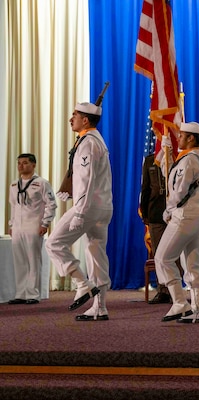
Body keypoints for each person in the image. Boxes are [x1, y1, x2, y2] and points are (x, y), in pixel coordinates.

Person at [46, 102, 113, 321]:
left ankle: (82, 284)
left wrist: (80, 212)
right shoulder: (95, 140)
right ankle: (100, 306)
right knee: (96, 255)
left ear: (85, 120)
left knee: (53, 243)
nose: (70, 118)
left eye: (74, 114)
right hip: (103, 206)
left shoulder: (88, 143)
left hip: (89, 208)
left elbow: (86, 180)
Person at [154, 122, 199, 323]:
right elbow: (175, 181)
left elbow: (179, 191)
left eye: (182, 135)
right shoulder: (195, 158)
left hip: (185, 215)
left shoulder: (188, 161)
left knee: (163, 258)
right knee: (192, 264)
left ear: (192, 139)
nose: (178, 137)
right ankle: (197, 309)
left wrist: (169, 208)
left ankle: (179, 303)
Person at [8, 153, 57, 305]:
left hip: (33, 226)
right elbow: (13, 206)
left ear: (33, 165)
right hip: (18, 227)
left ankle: (33, 294)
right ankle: (21, 293)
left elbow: (51, 204)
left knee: (33, 260)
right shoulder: (14, 185)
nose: (21, 166)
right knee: (19, 261)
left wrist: (45, 223)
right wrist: (11, 224)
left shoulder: (41, 183)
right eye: (19, 163)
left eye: (25, 163)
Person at [140, 152, 184, 304]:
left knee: (175, 253)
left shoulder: (179, 157)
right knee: (159, 253)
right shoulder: (150, 160)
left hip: (176, 212)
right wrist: (145, 212)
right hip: (156, 212)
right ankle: (162, 289)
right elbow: (145, 187)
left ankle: (175, 289)